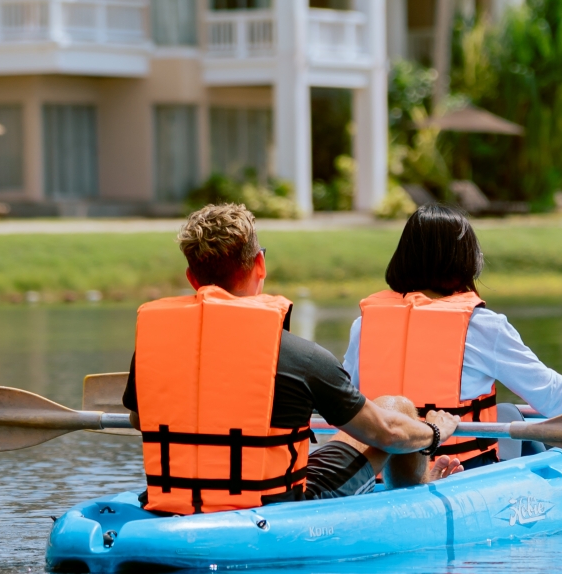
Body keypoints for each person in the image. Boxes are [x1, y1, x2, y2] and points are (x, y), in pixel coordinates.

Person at [123, 203, 459, 514]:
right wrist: (434, 430)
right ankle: (421, 492)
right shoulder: (302, 358)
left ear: (192, 279)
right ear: (259, 264)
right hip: (275, 508)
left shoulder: (154, 350)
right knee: (395, 407)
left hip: (177, 502)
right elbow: (386, 433)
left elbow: (141, 421)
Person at [344, 206, 562, 468]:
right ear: (465, 260)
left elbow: (343, 403)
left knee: (508, 413)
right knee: (526, 435)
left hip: (378, 472)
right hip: (457, 468)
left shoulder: (365, 324)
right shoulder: (483, 327)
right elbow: (552, 396)